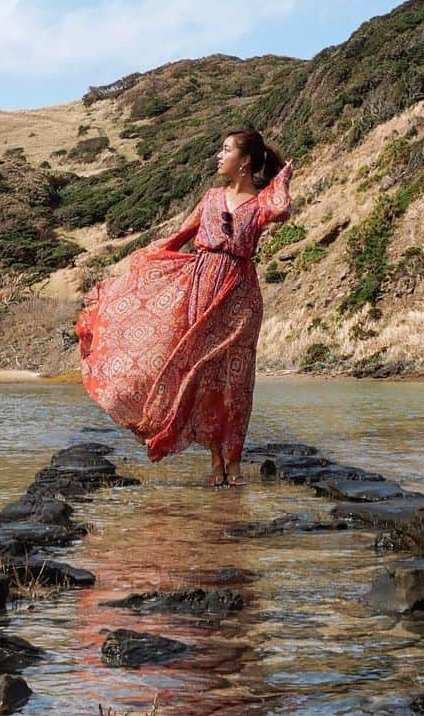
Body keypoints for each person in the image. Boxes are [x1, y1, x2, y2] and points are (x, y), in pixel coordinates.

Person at [76, 129, 292, 487]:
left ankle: (233, 461)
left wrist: (282, 177)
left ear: (246, 161)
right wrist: (141, 266)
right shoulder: (210, 199)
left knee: (235, 381)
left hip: (240, 296)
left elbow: (282, 209)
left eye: (225, 150)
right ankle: (215, 464)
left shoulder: (261, 202)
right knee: (203, 377)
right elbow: (177, 238)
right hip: (201, 291)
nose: (218, 156)